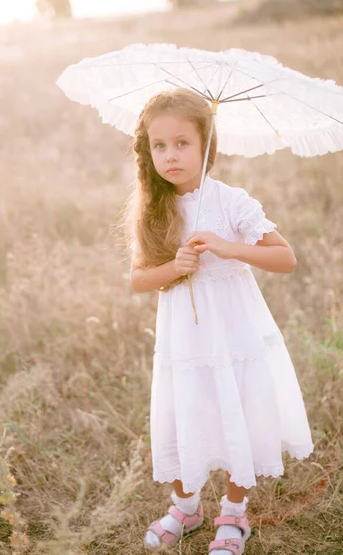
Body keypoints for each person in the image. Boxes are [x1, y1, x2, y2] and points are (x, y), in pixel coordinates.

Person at [126, 87, 314, 554]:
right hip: (185, 342)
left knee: (238, 410)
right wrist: (174, 268)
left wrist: (229, 247)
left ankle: (233, 514)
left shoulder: (230, 201)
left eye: (182, 143)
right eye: (160, 146)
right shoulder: (154, 206)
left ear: (207, 143)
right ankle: (184, 507)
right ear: (148, 152)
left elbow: (285, 258)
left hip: (233, 332)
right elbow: (138, 279)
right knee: (189, 411)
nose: (170, 155)